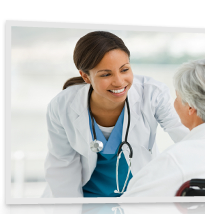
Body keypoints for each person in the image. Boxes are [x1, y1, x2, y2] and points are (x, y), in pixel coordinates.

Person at [42, 31, 189, 198]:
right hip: (85, 200)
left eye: (124, 69)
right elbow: (61, 165)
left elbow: (186, 137)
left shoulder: (152, 94)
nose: (119, 81)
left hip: (139, 198)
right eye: (106, 74)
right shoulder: (63, 105)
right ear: (85, 76)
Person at [122, 59, 205, 197]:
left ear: (190, 107)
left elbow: (128, 205)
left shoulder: (174, 160)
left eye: (177, 97)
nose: (174, 103)